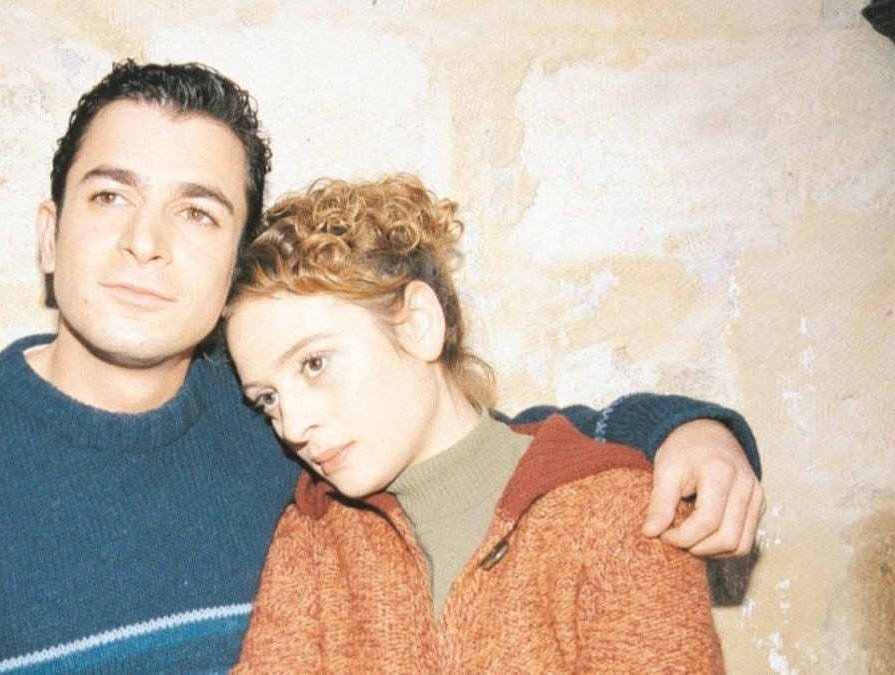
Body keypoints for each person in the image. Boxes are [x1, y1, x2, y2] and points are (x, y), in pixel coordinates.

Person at [0, 61, 761, 673]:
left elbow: (487, 445)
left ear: (235, 266)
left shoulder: (276, 431)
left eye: (197, 212)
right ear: (49, 234)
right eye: (109, 196)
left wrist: (684, 429)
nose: (144, 241)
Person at [228, 174, 725, 672]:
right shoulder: (312, 539)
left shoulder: (622, 517)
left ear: (418, 325)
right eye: (268, 398)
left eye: (315, 363)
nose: (292, 426)